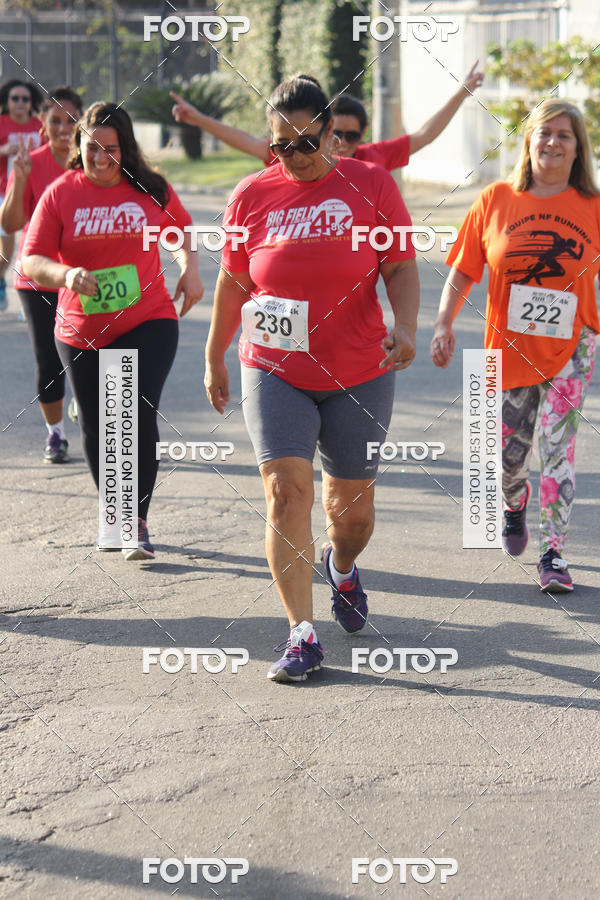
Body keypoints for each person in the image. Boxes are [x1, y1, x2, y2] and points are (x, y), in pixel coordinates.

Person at [204, 75, 419, 682]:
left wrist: (405, 328)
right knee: (286, 493)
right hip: (275, 366)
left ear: (332, 134)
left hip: (359, 369)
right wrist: (215, 355)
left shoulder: (371, 185)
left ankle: (342, 567)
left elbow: (400, 266)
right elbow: (233, 283)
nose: (291, 157)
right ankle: (301, 633)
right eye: (279, 146)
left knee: (351, 517)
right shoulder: (249, 195)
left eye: (304, 143)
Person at [431, 99, 600, 593]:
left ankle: (554, 555)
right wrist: (444, 323)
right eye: (544, 133)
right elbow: (464, 269)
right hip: (505, 350)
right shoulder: (496, 199)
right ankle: (513, 501)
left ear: (578, 149)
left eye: (564, 136)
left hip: (574, 345)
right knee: (506, 459)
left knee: (557, 449)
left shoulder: (592, 205)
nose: (552, 142)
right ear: (528, 141)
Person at [22, 102, 203, 559]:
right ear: (77, 146)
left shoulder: (150, 189)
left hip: (148, 318)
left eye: (112, 149)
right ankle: (114, 509)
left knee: (134, 412)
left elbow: (181, 231)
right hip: (80, 328)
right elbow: (31, 259)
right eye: (92, 148)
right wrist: (65, 276)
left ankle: (134, 520)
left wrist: (190, 269)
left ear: (126, 149)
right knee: (101, 422)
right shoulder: (62, 193)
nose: (101, 158)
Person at [170, 62, 483, 170]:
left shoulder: (373, 161)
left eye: (352, 135)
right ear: (325, 128)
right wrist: (199, 119)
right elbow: (249, 142)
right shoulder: (294, 153)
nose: (342, 142)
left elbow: (423, 136)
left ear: (363, 135)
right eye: (336, 134)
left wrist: (461, 93)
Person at [1, 86, 83, 463]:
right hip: (38, 279)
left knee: (90, 353)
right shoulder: (30, 162)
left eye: (71, 121)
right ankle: (55, 434)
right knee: (49, 360)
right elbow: (11, 222)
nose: (64, 128)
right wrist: (18, 180)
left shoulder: (94, 164)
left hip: (86, 276)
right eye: (55, 121)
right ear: (43, 126)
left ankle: (85, 401)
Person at [0, 79, 44, 310]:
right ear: (7, 102)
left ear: (31, 103)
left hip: (34, 194)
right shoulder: (1, 123)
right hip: (3, 194)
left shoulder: (40, 125)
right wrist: (4, 150)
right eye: (14, 98)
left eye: (24, 99)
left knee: (32, 245)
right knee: (6, 252)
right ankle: (1, 281)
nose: (19, 103)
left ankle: (37, 288)